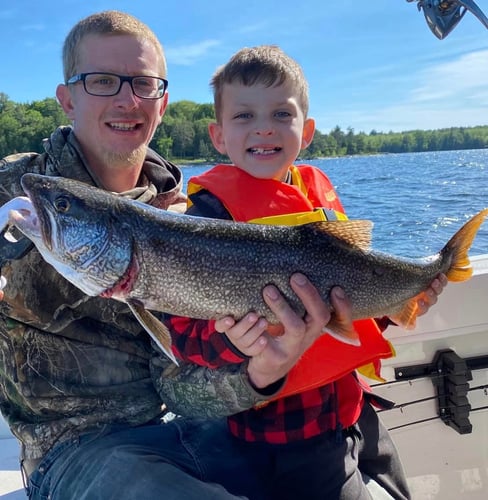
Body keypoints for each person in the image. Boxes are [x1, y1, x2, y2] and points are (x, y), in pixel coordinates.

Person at [0, 13, 354, 500]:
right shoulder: (19, 186)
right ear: (67, 98)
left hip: (188, 431)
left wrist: (262, 373)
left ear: (161, 104)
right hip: (73, 451)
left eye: (143, 84)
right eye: (103, 81)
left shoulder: (186, 215)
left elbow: (176, 383)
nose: (127, 99)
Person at [164, 45, 447, 500]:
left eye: (281, 113)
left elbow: (349, 302)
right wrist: (230, 342)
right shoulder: (205, 217)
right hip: (282, 436)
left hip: (354, 411)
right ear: (217, 136)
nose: (263, 127)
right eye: (244, 117)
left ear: (307, 130)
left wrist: (401, 303)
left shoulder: (318, 198)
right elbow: (185, 336)